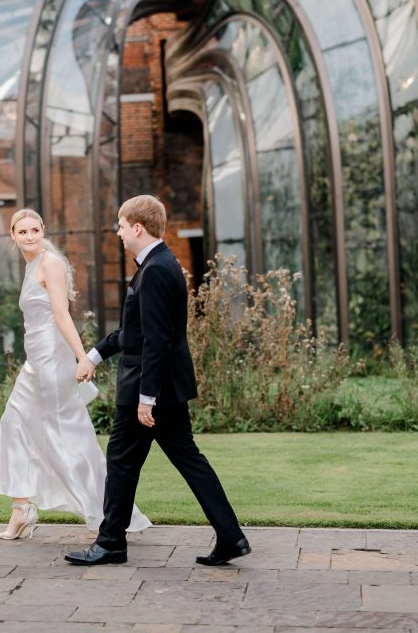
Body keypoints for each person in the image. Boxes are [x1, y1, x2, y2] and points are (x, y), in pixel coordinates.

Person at [65, 195, 250, 566]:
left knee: (121, 462)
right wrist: (94, 355)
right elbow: (134, 332)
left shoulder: (156, 270)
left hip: (148, 391)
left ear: (137, 228)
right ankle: (231, 536)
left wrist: (146, 397)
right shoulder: (157, 265)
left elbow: (157, 340)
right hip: (162, 389)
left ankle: (110, 543)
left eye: (121, 226)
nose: (118, 233)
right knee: (186, 460)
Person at [0, 208, 150, 540]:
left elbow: (61, 316)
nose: (29, 236)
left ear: (43, 231)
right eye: (22, 231)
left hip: (51, 363)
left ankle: (109, 514)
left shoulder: (50, 264)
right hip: (35, 363)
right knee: (14, 426)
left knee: (68, 439)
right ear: (13, 236)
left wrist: (83, 358)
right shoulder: (31, 266)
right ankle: (21, 510)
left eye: (34, 230)